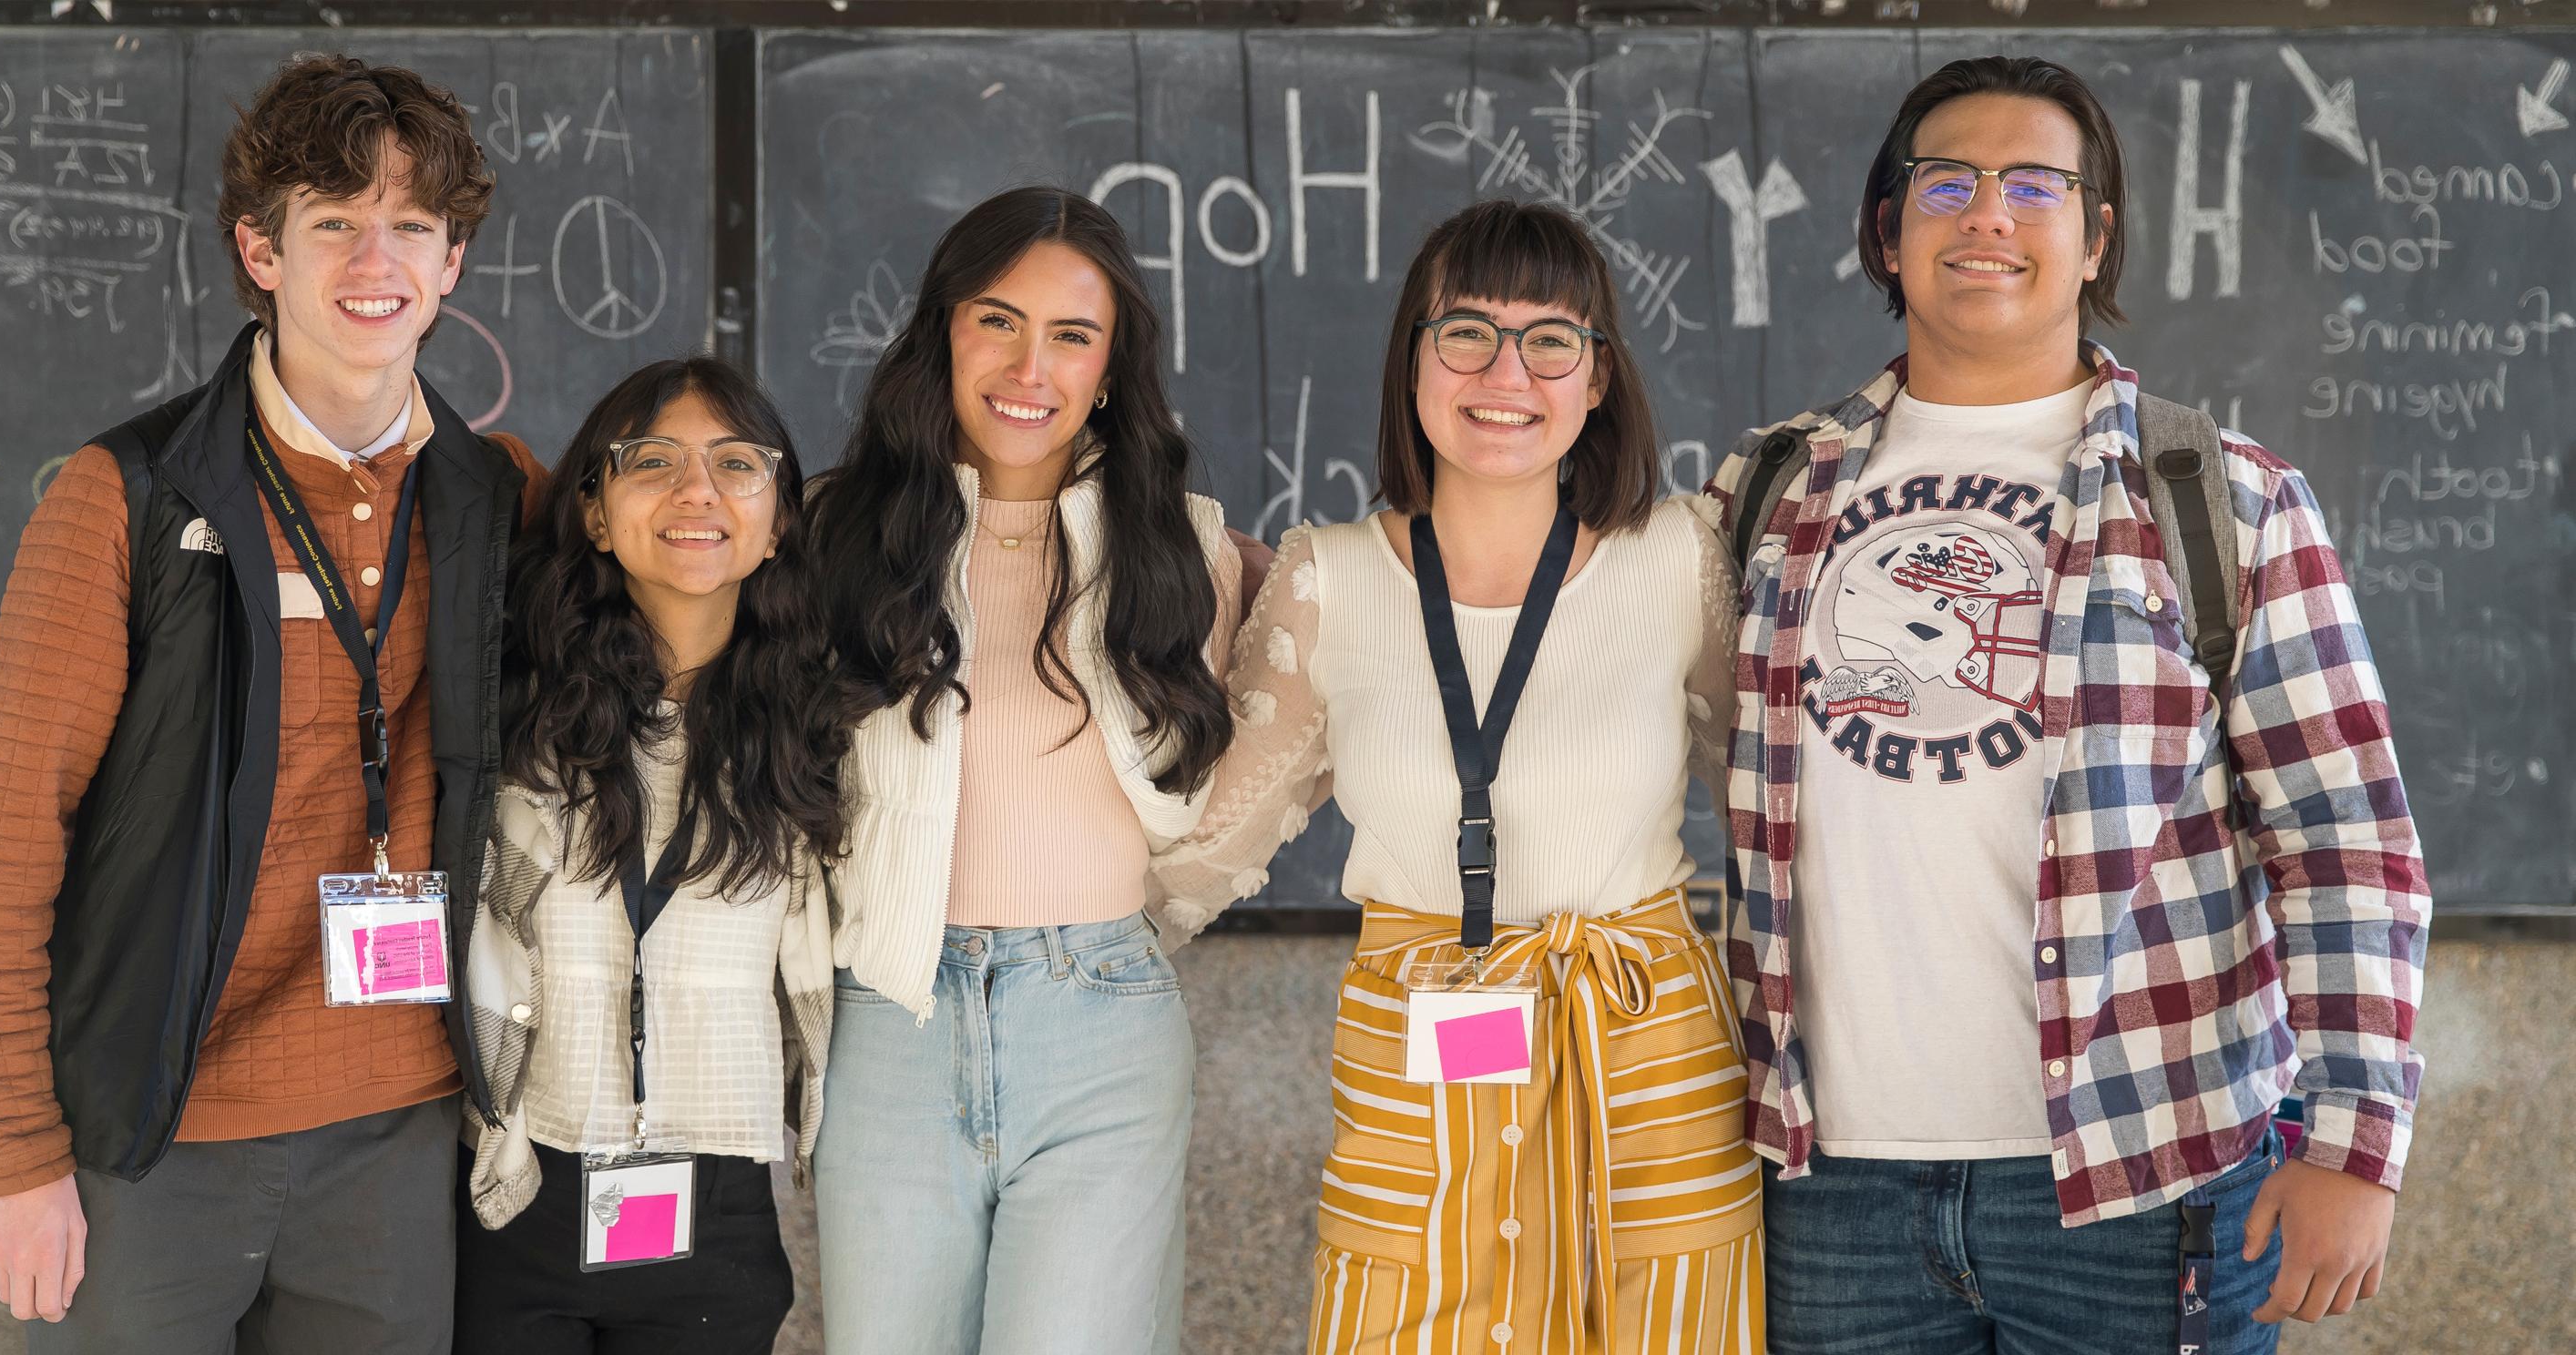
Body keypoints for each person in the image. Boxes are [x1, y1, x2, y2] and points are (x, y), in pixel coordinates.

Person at [1706, 55, 2430, 1354]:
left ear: (2095, 237)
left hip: (2143, 1177)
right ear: (1888, 228)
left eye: (2036, 185)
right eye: (1947, 184)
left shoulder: (2225, 499)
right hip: (1830, 1186)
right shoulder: (1766, 496)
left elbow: (2345, 843)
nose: (1988, 214)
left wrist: (2356, 1141)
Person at [0, 53, 545, 1352]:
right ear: (262, 254)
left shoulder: (498, 499)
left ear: (452, 265)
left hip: (397, 1136)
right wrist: (10, 1158)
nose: (375, 257)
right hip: (156, 1144)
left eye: (413, 226)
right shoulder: (129, 499)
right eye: (334, 221)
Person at [1152, 199, 1759, 1354]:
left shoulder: (1679, 556)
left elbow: (1781, 809)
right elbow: (1205, 850)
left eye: (1551, 339)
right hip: (1424, 1039)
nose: (1507, 371)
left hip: (1646, 1034)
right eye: (1466, 330)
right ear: (1413, 360)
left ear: (1597, 379)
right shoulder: (1325, 578)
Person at [803, 184, 1244, 1355]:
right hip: (887, 1014)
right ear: (942, 330)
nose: (1028, 365)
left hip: (1098, 1016)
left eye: (1073, 334)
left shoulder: (1187, 546)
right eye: (997, 320)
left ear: (1113, 365)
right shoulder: (832, 531)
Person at [451, 357, 847, 1352]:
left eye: (736, 463)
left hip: (713, 1217)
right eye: (654, 460)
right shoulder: (513, 717)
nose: (696, 490)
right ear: (593, 511)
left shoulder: (825, 733)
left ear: (781, 518)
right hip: (513, 1193)